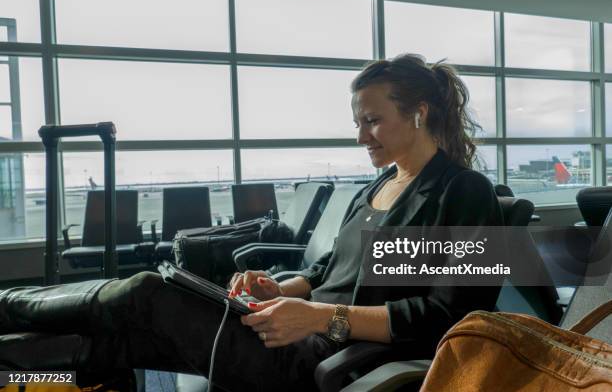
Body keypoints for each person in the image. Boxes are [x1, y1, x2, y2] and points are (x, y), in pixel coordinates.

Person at [0, 54, 502, 391]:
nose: (361, 136)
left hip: (323, 350)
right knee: (108, 343)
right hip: (298, 328)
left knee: (147, 292)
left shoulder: (463, 191)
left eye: (372, 120)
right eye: (357, 123)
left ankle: (5, 304)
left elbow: (451, 316)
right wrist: (281, 286)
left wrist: (317, 317)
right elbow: (332, 271)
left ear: (418, 112)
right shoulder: (377, 186)